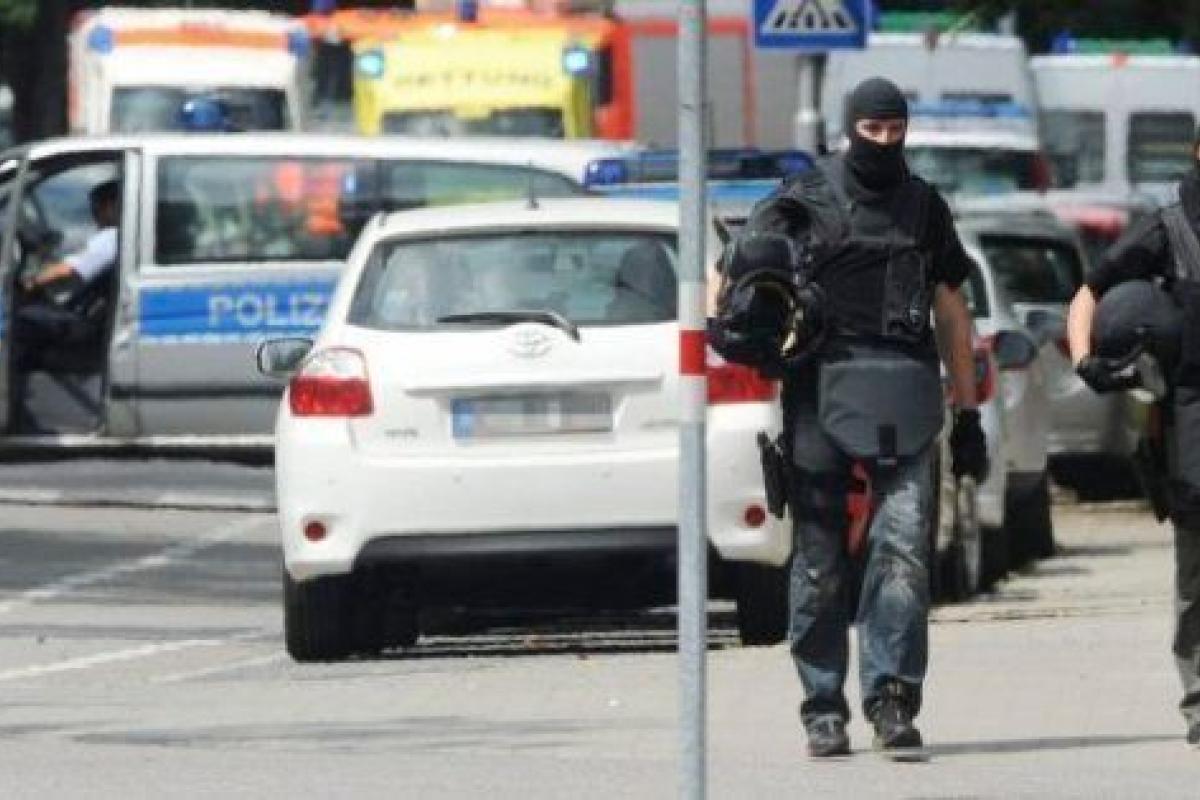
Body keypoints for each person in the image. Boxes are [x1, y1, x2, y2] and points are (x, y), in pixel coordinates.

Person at [733, 77, 988, 758]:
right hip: (821, 392)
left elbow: (951, 313)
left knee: (904, 552)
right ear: (850, 129)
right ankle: (823, 708)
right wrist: (745, 332)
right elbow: (741, 269)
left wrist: (968, 415)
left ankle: (893, 700)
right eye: (872, 130)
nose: (884, 142)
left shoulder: (924, 207)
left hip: (906, 394)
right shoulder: (804, 197)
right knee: (819, 560)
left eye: (894, 130)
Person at [1066, 127, 1200, 747]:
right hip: (1191, 414)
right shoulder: (1170, 227)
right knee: (1196, 569)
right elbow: (1090, 290)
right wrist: (1084, 359)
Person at [14, 179, 119, 372]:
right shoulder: (116, 238)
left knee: (19, 321)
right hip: (89, 315)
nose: (95, 215)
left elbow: (68, 270)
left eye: (97, 208)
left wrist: (31, 282)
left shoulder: (111, 237)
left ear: (112, 206)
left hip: (86, 323)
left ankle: (15, 384)